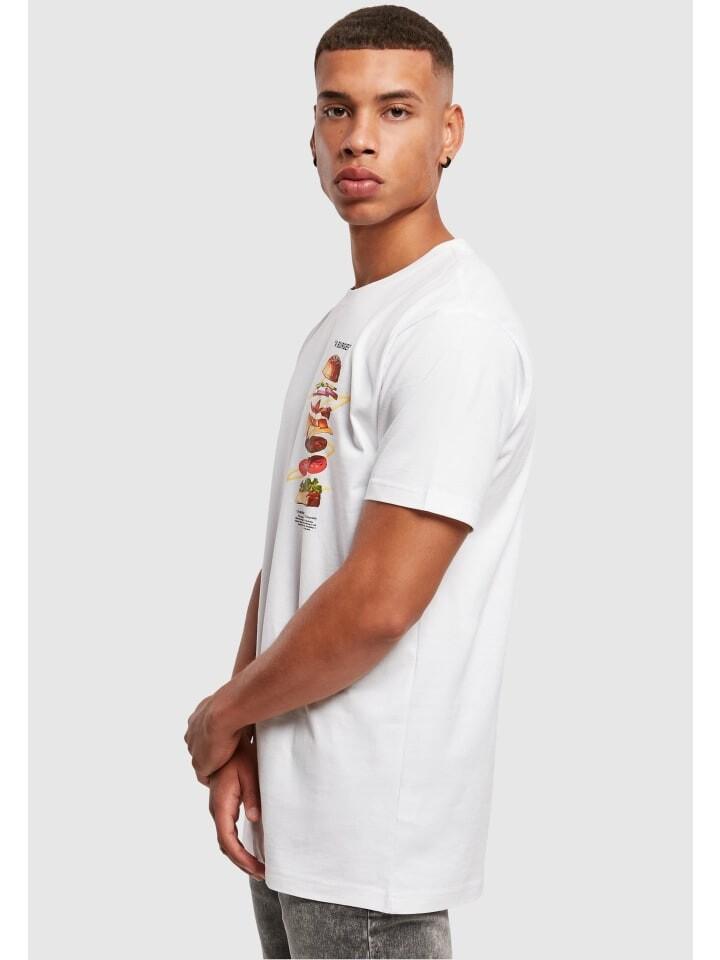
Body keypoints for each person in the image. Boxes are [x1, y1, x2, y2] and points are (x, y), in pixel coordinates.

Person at [184, 5, 536, 958]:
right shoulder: (352, 319)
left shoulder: (452, 329)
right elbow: (299, 546)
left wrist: (224, 714)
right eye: (336, 109)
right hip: (296, 823)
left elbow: (380, 600)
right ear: (310, 133)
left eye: (396, 110)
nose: (359, 138)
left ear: (450, 132)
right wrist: (245, 733)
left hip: (374, 837)